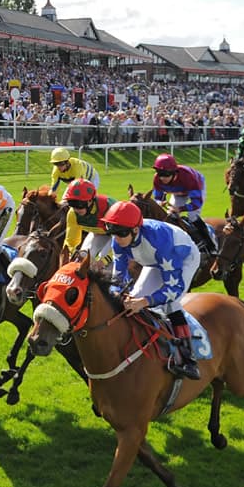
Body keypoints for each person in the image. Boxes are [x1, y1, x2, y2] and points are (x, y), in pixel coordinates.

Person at [101, 200, 201, 379]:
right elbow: (118, 279)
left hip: (183, 259)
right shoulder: (118, 241)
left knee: (170, 304)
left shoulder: (159, 241)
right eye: (112, 233)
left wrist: (145, 301)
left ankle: (188, 359)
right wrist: (122, 294)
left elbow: (173, 288)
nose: (116, 239)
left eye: (121, 234)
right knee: (133, 298)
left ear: (135, 230)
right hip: (154, 261)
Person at [150, 153, 210, 243]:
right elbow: (157, 198)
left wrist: (181, 209)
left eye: (166, 174)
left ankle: (209, 243)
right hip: (179, 192)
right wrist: (160, 203)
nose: (162, 178)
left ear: (174, 172)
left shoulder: (188, 177)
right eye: (159, 174)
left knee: (192, 216)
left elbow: (197, 203)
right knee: (170, 215)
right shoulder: (157, 179)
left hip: (196, 187)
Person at [60, 178, 118, 261]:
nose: (76, 209)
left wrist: (104, 261)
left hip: (119, 234)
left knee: (105, 262)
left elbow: (120, 239)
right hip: (98, 233)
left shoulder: (108, 209)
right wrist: (70, 255)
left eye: (79, 204)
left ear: (91, 201)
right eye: (71, 203)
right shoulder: (73, 213)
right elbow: (71, 241)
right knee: (83, 258)